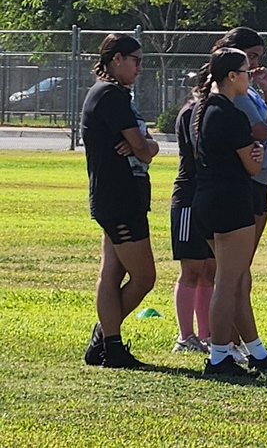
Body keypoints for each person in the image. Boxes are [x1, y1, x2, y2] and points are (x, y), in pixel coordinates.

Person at [193, 47, 267, 377]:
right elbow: (251, 166)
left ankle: (256, 351)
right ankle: (219, 356)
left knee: (235, 280)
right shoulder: (230, 114)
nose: (250, 76)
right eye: (246, 71)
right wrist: (256, 154)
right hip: (230, 202)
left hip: (207, 200)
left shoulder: (206, 108)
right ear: (232, 76)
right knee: (229, 282)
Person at [80, 33, 158, 368]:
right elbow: (143, 148)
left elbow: (145, 144)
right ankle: (107, 340)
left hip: (123, 197)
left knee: (111, 273)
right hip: (119, 198)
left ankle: (106, 343)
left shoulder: (115, 94)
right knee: (144, 277)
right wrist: (145, 146)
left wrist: (144, 145)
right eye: (136, 61)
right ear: (116, 59)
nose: (140, 68)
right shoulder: (110, 95)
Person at [211, 27, 267, 362]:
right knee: (233, 277)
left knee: (238, 273)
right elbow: (261, 133)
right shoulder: (225, 104)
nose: (253, 67)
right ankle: (226, 349)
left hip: (251, 186)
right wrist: (261, 141)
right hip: (237, 190)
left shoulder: (243, 94)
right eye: (248, 60)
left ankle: (247, 347)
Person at [169, 74, 214, 355]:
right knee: (192, 269)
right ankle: (185, 337)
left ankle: (206, 334)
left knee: (210, 268)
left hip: (210, 198)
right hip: (188, 198)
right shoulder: (191, 112)